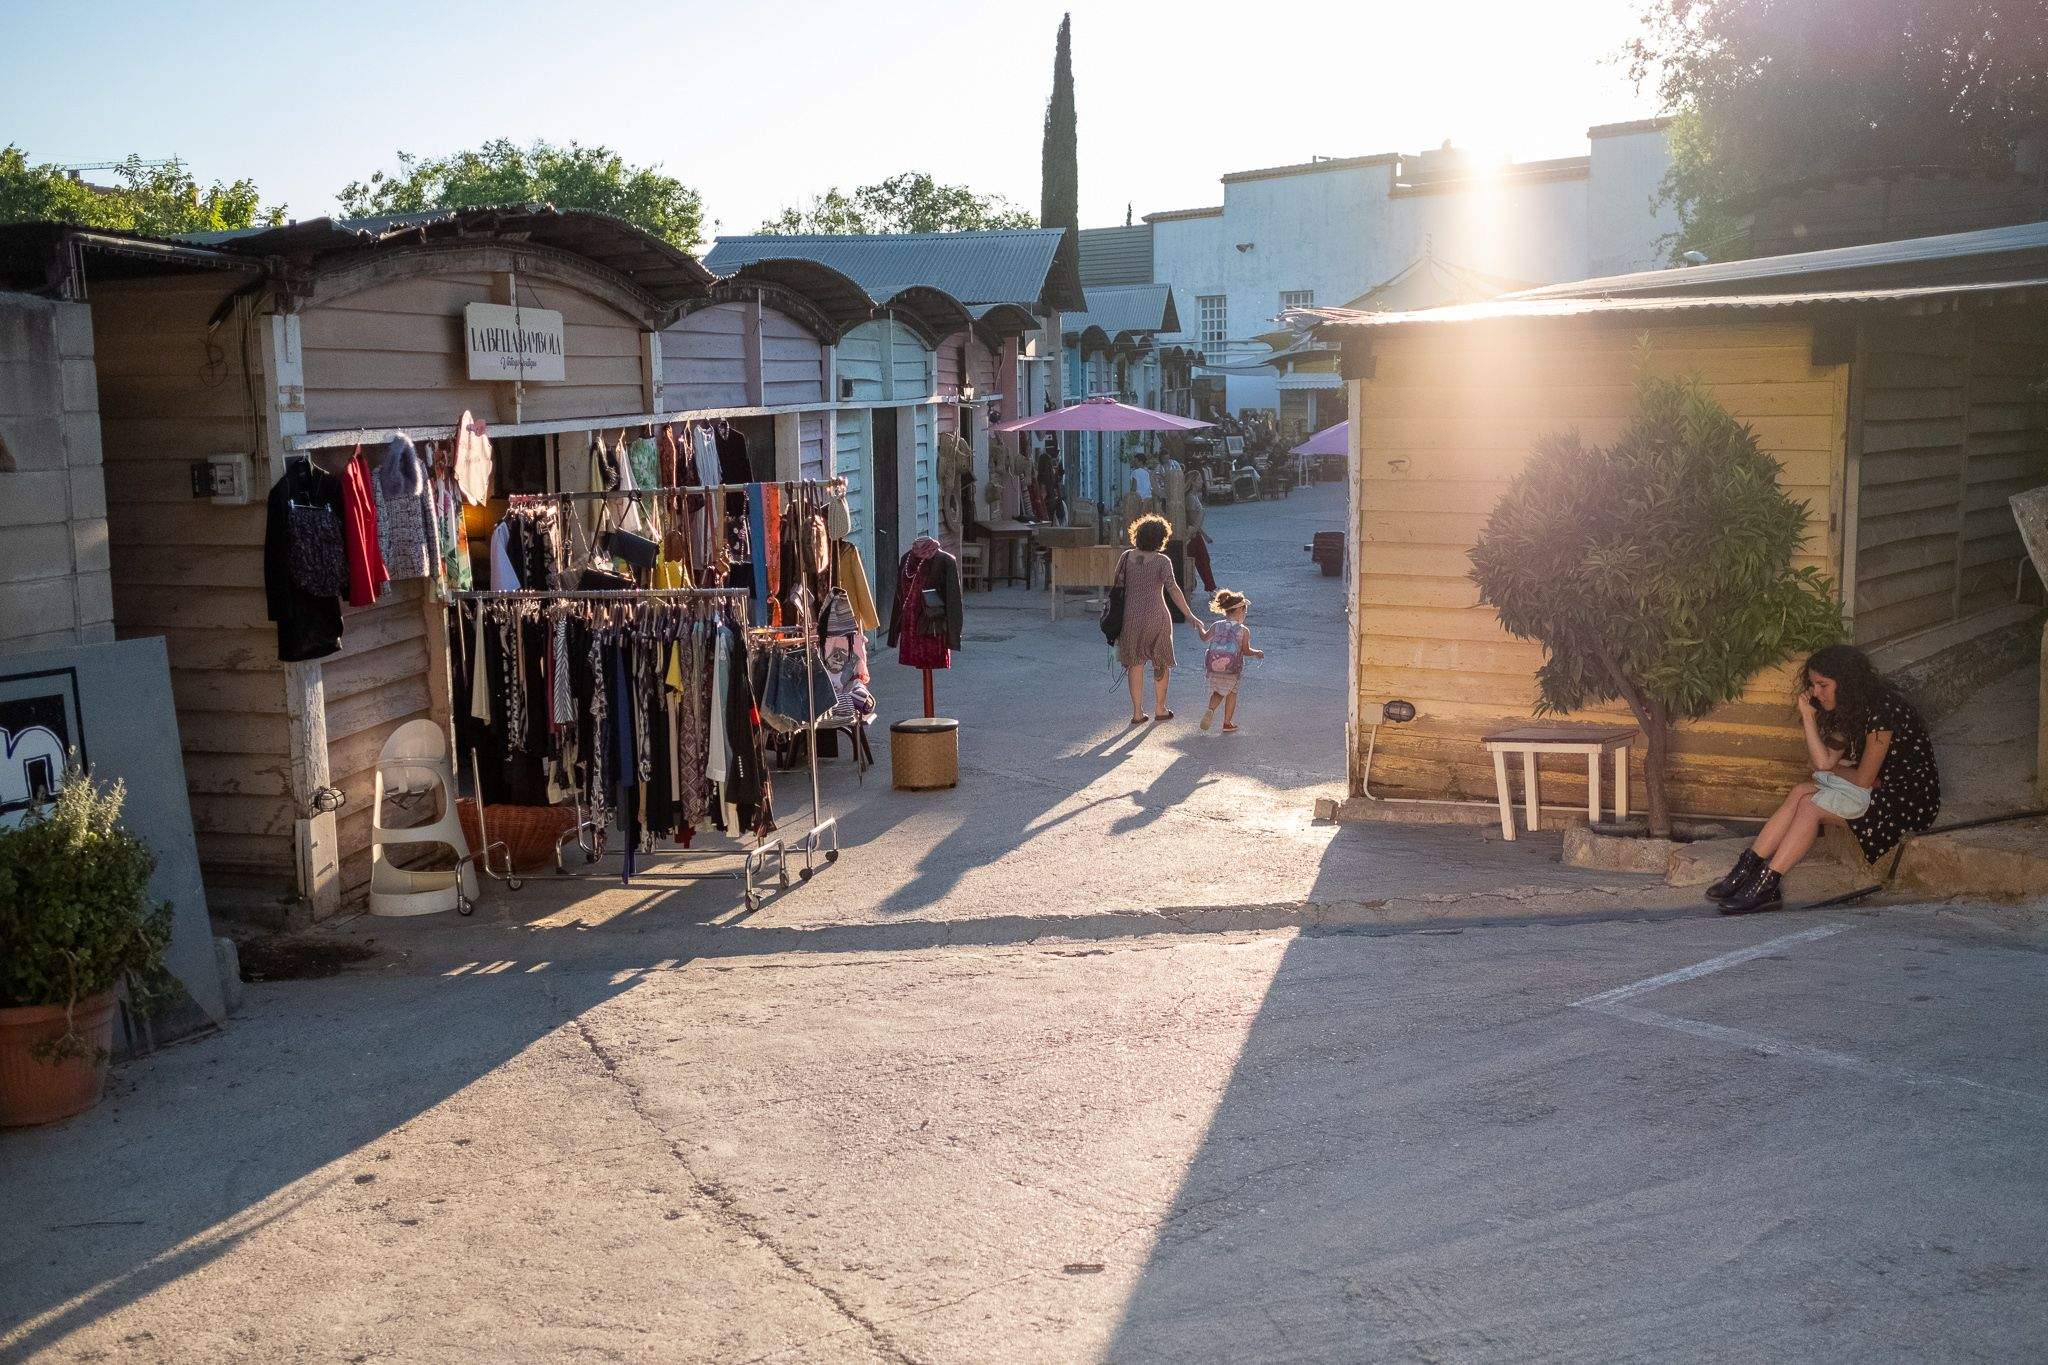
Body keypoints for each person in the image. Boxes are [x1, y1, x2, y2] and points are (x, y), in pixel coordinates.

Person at [1708, 644, 1942, 915]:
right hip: (1875, 787)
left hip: (1906, 802)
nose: (1816, 693)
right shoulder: (1851, 707)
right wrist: (1808, 717)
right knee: (1800, 791)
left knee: (1810, 804)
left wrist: (1833, 770)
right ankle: (1746, 870)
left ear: (1847, 682)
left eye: (1823, 685)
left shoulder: (1882, 711)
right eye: (1812, 685)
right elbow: (1823, 761)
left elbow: (1860, 777)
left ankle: (1768, 884)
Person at [1116, 513, 1205, 725]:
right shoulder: (1162, 561)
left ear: (1137, 534)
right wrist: (1189, 614)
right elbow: (1173, 589)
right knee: (1162, 661)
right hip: (1158, 616)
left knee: (1135, 664)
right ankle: (1160, 708)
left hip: (1131, 618)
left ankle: (1137, 713)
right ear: (1161, 538)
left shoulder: (1126, 557)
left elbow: (1117, 587)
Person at [1198, 590, 1263, 732]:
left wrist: (1199, 627)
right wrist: (1257, 653)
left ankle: (1210, 710)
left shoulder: (1216, 625)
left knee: (1218, 692)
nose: (1245, 614)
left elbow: (1204, 638)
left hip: (1214, 668)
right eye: (1245, 612)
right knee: (1231, 693)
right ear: (1240, 610)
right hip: (1233, 670)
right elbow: (1246, 651)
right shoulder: (1243, 630)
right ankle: (1227, 723)